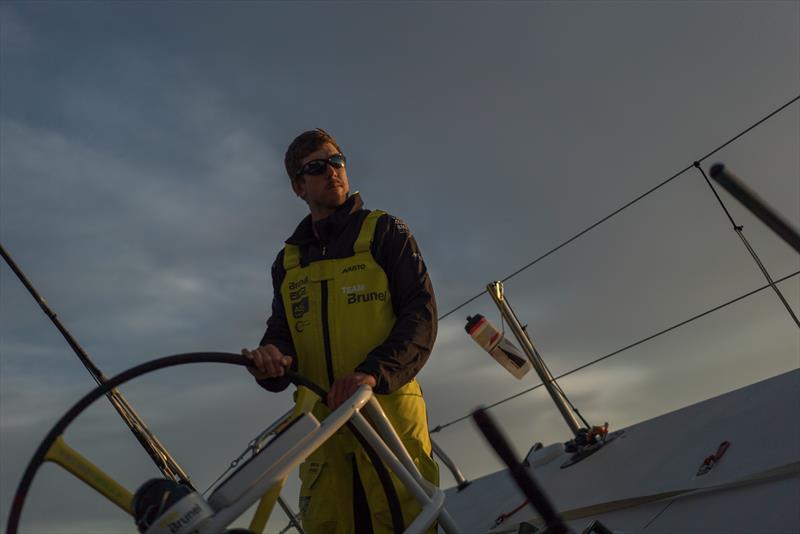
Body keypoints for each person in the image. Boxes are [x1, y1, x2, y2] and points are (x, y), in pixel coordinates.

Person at [242, 129, 439, 534]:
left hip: (388, 423)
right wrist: (269, 360)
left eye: (337, 161)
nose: (332, 171)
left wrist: (371, 374)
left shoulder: (385, 232)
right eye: (317, 166)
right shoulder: (288, 262)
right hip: (322, 441)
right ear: (299, 186)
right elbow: (281, 334)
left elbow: (421, 316)